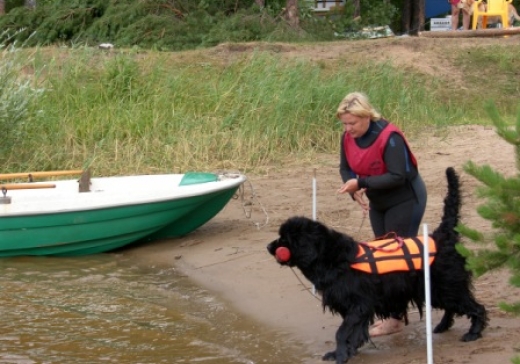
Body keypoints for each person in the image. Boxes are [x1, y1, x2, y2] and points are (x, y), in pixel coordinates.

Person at [336, 92, 428, 337]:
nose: (348, 128)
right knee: (382, 257)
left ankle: (395, 319)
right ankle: (394, 312)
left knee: (396, 259)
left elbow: (399, 176)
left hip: (406, 199)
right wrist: (351, 188)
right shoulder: (347, 137)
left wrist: (361, 182)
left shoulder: (389, 137)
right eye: (344, 123)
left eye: (352, 123)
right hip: (379, 202)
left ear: (366, 116)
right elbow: (345, 168)